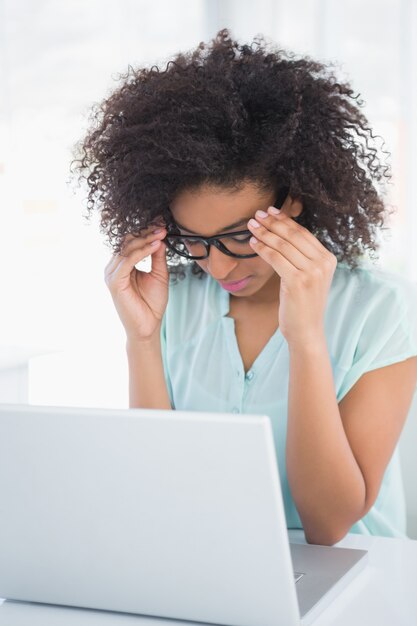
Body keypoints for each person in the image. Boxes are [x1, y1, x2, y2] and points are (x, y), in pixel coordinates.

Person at [72, 28, 417, 545]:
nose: (215, 265)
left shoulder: (382, 309)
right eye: (195, 239)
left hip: (357, 575)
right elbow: (160, 487)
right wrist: (142, 340)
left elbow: (328, 525)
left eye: (238, 236)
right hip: (213, 558)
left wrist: (305, 340)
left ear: (294, 199)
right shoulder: (176, 300)